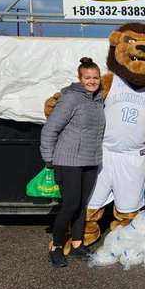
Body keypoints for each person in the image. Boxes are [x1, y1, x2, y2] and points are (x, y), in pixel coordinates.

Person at [40, 57, 106, 267]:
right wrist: (49, 158)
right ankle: (56, 246)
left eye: (95, 77)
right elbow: (50, 129)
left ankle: (77, 244)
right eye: (88, 78)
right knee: (70, 205)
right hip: (68, 160)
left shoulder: (97, 100)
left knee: (82, 204)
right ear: (80, 79)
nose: (92, 81)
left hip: (90, 160)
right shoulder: (71, 99)